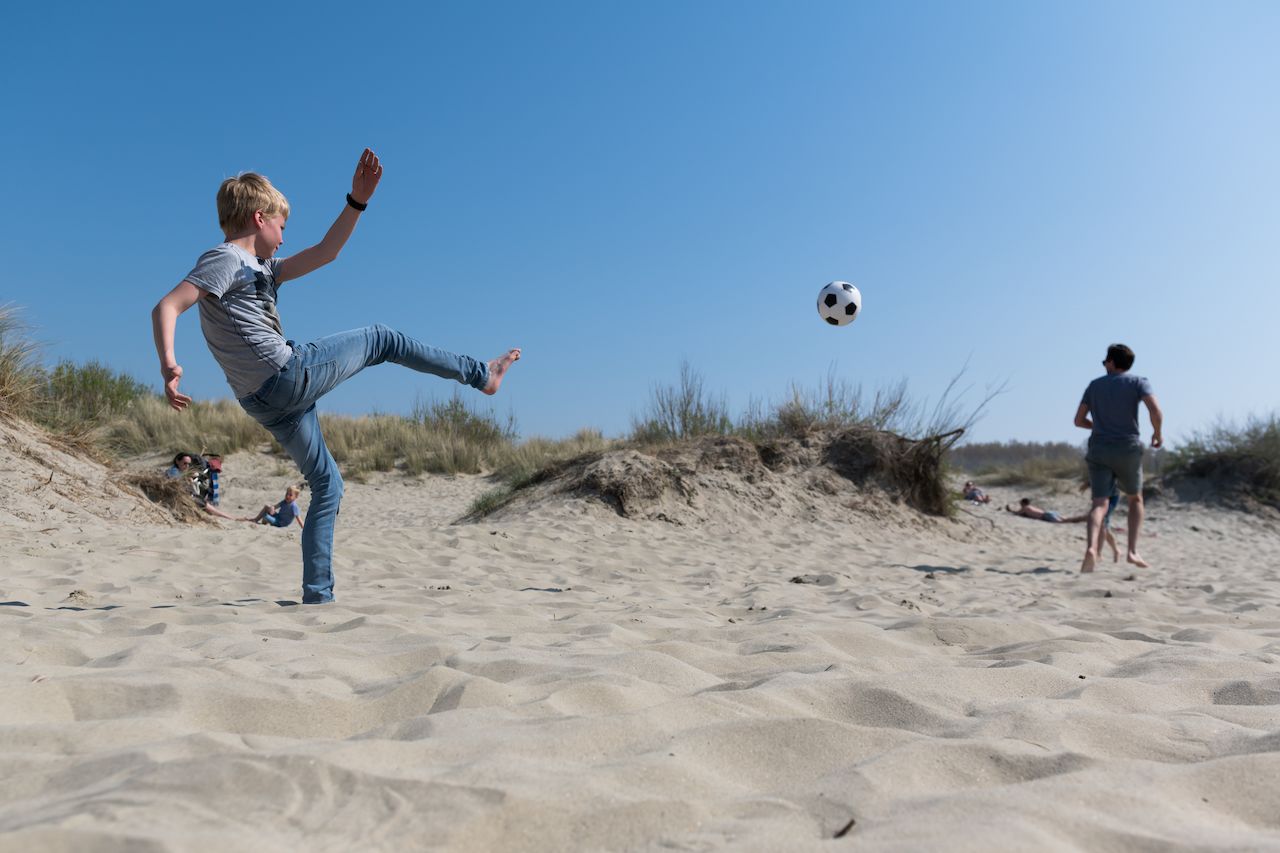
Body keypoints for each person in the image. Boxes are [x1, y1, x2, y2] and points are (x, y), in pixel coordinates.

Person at [150, 149, 521, 604]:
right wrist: (169, 363)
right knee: (382, 338)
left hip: (263, 402)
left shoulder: (264, 270)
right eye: (282, 227)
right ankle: (481, 375)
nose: (284, 239)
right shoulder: (226, 259)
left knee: (329, 484)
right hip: (284, 375)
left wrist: (357, 202)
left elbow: (327, 252)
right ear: (259, 217)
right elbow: (168, 305)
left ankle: (317, 596)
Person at [1074, 343, 1163, 573]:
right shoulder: (1138, 382)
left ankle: (1091, 548)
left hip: (1100, 447)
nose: (1104, 366)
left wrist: (1100, 426)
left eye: (1105, 362)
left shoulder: (1094, 386)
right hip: (1127, 446)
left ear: (1112, 362)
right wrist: (1157, 433)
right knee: (1135, 499)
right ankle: (1132, 551)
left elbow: (1078, 420)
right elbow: (1155, 411)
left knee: (1099, 504)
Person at [164, 451, 238, 521]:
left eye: (189, 464)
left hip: (184, 496)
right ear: (177, 461)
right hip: (177, 498)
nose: (187, 466)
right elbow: (176, 482)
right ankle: (231, 518)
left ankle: (230, 517)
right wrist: (187, 479)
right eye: (185, 463)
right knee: (205, 505)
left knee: (204, 503)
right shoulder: (173, 471)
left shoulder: (179, 470)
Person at [1004, 498, 1088, 523]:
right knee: (1066, 519)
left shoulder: (1025, 508)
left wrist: (1010, 510)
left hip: (1046, 515)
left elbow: (1017, 513)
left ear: (1023, 503)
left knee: (1063, 522)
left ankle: (1082, 518)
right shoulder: (1030, 507)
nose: (1020, 505)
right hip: (1048, 513)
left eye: (1020, 503)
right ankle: (1082, 518)